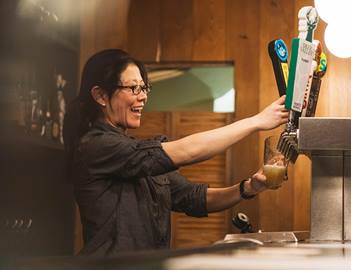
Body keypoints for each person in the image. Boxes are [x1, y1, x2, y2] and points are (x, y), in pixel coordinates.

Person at [63, 49, 288, 256]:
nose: (143, 97)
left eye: (144, 88)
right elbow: (188, 151)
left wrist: (248, 188)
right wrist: (256, 121)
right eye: (133, 88)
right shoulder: (96, 146)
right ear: (101, 96)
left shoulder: (132, 153)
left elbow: (193, 198)